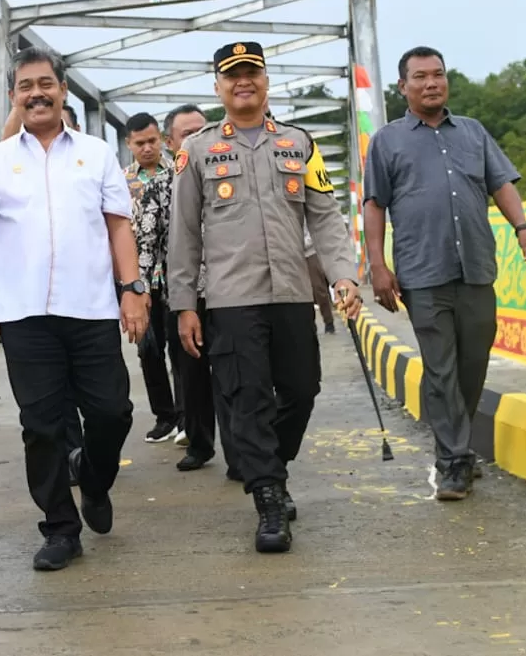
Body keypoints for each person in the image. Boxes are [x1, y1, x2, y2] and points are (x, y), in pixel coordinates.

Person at [0, 47, 146, 573]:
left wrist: (132, 288)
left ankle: (96, 480)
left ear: (62, 91)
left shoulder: (97, 154)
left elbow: (118, 225)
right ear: (14, 96)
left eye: (45, 84)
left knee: (112, 412)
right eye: (25, 86)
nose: (35, 93)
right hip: (25, 315)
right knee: (41, 426)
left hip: (90, 309)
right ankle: (60, 528)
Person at [166, 42, 363, 554]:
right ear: (218, 87)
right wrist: (185, 304)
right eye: (232, 76)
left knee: (302, 388)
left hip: (292, 293)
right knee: (248, 399)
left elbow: (324, 214)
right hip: (231, 299)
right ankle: (270, 498)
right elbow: (184, 234)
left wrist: (344, 275)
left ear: (266, 80)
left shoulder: (300, 144)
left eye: (251, 73)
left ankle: (267, 465)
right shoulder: (199, 151)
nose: (242, 82)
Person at [363, 46, 526, 500]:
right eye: (421, 77)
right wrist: (377, 265)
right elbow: (374, 205)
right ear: (403, 87)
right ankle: (451, 463)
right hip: (422, 273)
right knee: (441, 368)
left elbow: (500, 184)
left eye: (439, 75)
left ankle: (458, 446)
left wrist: (522, 227)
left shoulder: (473, 132)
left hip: (476, 268)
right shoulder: (387, 141)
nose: (432, 83)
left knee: (473, 362)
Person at [136, 104, 238, 475]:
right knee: (191, 375)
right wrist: (142, 291)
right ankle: (199, 443)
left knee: (234, 375)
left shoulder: (230, 176)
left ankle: (241, 451)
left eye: (203, 130)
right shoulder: (161, 188)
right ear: (170, 142)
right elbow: (145, 244)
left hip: (231, 290)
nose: (197, 139)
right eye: (187, 134)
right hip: (183, 294)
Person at [123, 113, 180, 445]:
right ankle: (165, 416)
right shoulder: (120, 182)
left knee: (182, 352)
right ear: (129, 143)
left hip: (176, 276)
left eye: (152, 141)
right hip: (140, 280)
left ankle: (187, 416)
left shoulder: (179, 173)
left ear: (162, 139)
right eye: (140, 143)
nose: (147, 148)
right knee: (148, 350)